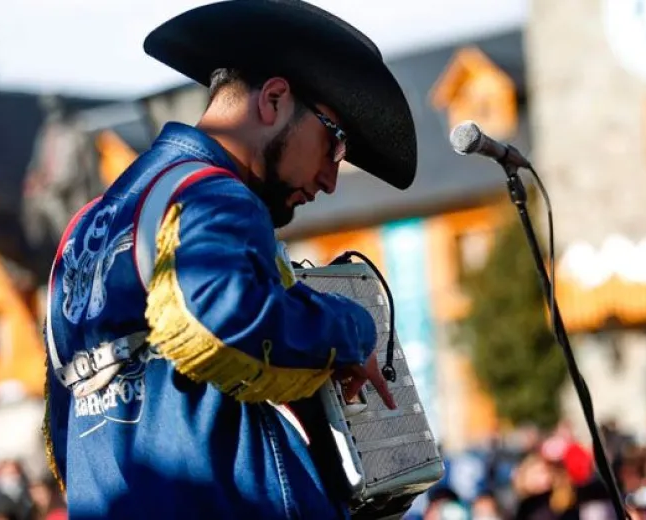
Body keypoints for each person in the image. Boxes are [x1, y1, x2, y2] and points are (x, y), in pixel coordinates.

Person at [41, 1, 417, 518]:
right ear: (275, 99)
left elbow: (67, 434)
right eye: (335, 144)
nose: (332, 178)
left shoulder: (84, 227)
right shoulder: (214, 193)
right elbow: (219, 312)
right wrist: (350, 329)